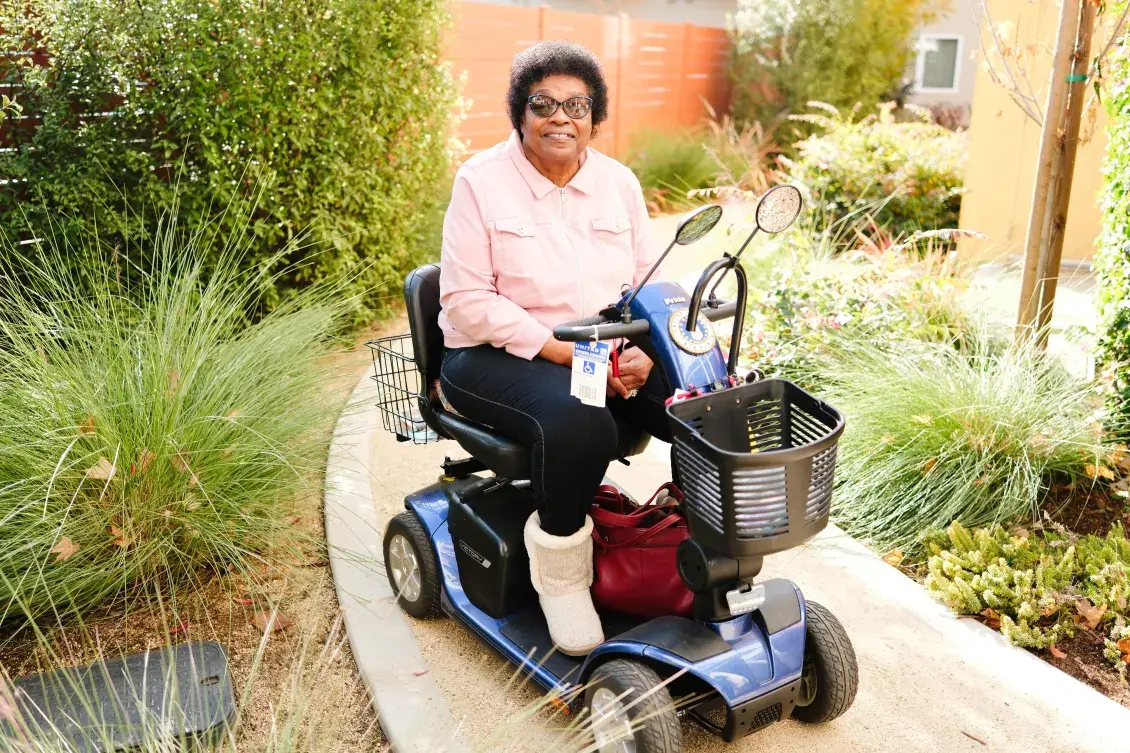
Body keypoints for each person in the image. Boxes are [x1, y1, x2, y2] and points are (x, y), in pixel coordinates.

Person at [437, 41, 672, 656]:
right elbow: (464, 299)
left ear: (596, 118)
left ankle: (694, 545)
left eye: (577, 104)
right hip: (488, 356)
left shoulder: (617, 182)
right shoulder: (481, 181)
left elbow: (648, 283)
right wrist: (564, 353)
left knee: (696, 405)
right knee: (582, 423)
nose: (560, 116)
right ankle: (562, 577)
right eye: (543, 103)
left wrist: (649, 351)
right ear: (520, 114)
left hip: (604, 348)